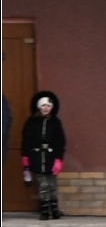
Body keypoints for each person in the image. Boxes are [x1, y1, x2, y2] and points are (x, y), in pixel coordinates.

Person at [21, 90, 65, 220]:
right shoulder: (31, 122)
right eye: (44, 105)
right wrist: (25, 157)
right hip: (37, 157)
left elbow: (60, 141)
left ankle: (54, 209)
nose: (46, 108)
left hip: (51, 157)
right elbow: (26, 140)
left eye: (49, 106)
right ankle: (45, 210)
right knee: (43, 184)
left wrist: (59, 158)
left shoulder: (55, 122)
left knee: (52, 184)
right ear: (39, 106)